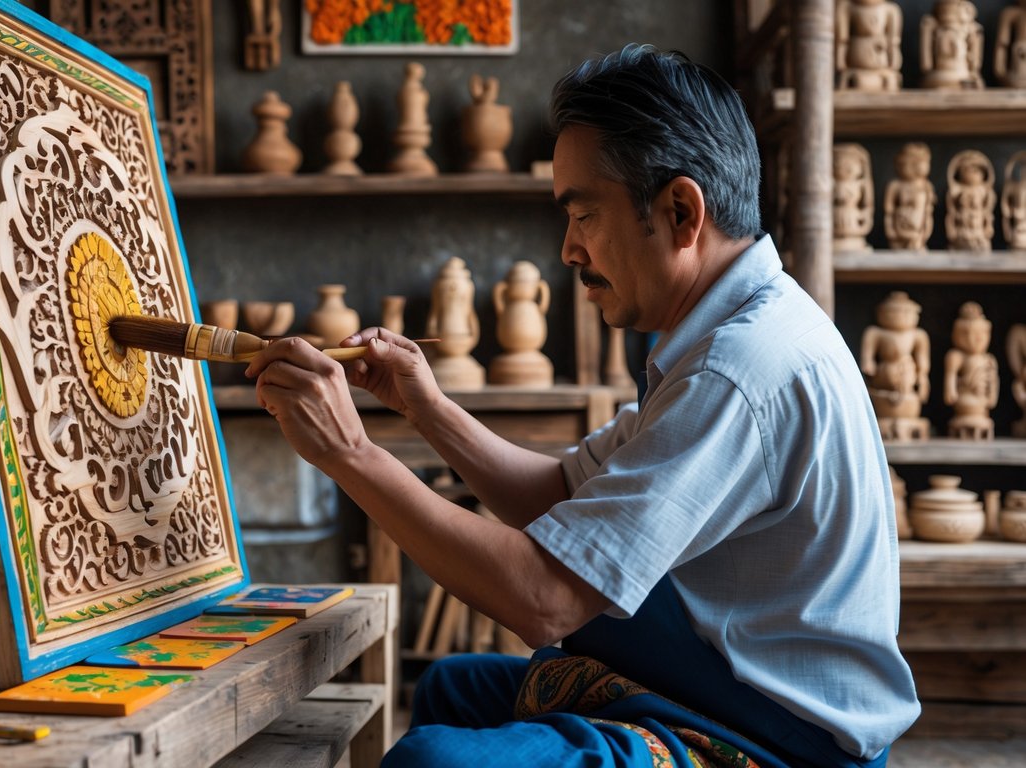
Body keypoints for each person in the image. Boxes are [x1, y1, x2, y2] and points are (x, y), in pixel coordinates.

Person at [246, 44, 919, 767]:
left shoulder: (738, 367)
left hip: (774, 740)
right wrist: (425, 408)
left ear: (679, 211)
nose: (568, 251)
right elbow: (560, 495)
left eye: (584, 216)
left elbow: (543, 599)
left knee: (433, 762)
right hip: (723, 689)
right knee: (453, 684)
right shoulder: (723, 333)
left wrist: (349, 454)